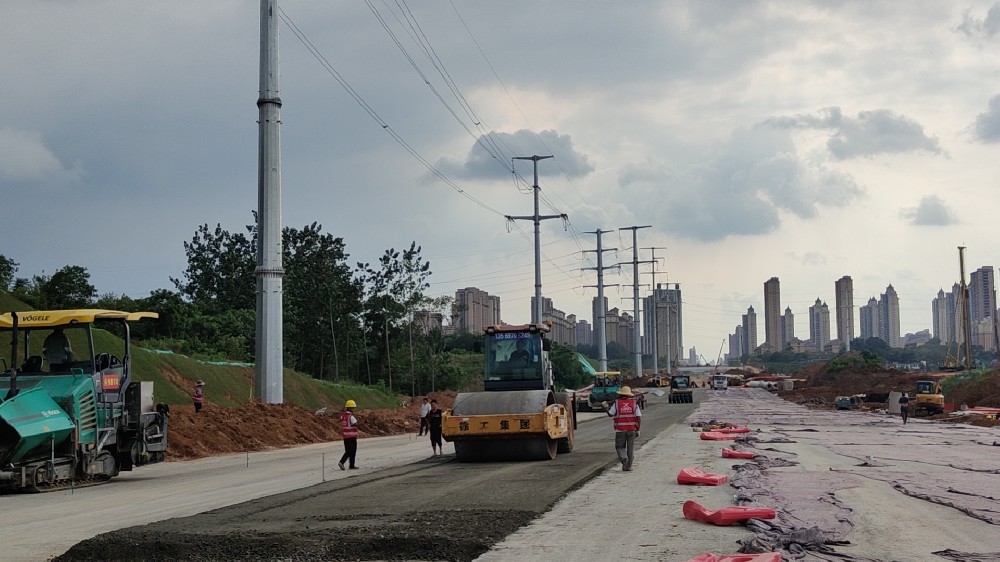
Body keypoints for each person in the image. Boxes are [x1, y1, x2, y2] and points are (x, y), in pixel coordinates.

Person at [605, 385, 641, 471]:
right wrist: (638, 429)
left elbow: (610, 414)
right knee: (630, 449)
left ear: (621, 394)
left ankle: (624, 461)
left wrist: (605, 407)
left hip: (620, 430)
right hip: (632, 430)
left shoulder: (617, 403)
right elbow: (639, 417)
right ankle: (629, 466)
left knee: (620, 447)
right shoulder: (634, 404)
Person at [339, 399, 360, 470]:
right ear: (350, 408)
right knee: (352, 451)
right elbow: (356, 424)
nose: (354, 409)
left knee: (348, 451)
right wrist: (362, 422)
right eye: (353, 408)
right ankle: (344, 463)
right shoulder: (351, 417)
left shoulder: (344, 416)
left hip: (345, 436)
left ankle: (349, 464)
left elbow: (340, 419)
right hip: (352, 436)